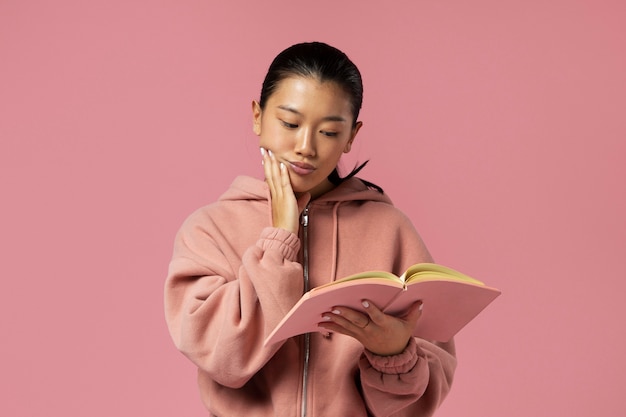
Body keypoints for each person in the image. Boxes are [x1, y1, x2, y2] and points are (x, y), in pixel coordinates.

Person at [164, 41, 456, 416]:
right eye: (290, 123)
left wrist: (394, 354)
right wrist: (280, 239)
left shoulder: (390, 229)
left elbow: (424, 391)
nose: (305, 147)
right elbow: (223, 361)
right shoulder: (209, 230)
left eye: (330, 132)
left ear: (352, 135)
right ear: (257, 116)